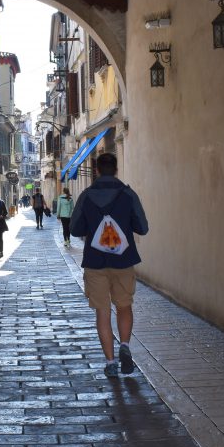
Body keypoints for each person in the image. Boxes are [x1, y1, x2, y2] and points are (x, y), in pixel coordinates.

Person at [69, 153, 149, 378]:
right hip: (124, 260)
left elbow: (75, 229)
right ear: (115, 169)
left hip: (95, 262)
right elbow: (142, 227)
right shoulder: (128, 194)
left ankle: (111, 362)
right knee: (124, 306)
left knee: (102, 312)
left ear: (96, 170)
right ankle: (124, 345)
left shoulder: (86, 196)